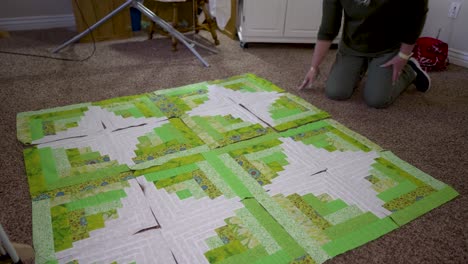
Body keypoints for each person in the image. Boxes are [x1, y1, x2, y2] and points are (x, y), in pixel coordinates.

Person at [299, 0, 431, 108]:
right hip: (353, 45)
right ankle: (360, 68)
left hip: (388, 48)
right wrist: (314, 67)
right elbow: (328, 28)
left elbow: (417, 17)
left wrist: (403, 56)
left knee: (377, 100)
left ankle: (410, 71)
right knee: (336, 92)